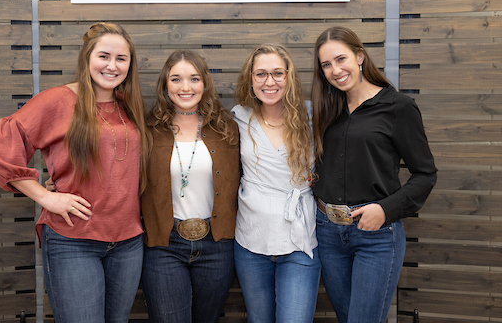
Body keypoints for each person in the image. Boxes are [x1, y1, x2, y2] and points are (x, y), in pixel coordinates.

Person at [0, 22, 150, 323]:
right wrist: (46, 197)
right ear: (87, 57)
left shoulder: (129, 106)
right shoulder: (57, 101)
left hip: (128, 242)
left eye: (121, 59)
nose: (112, 66)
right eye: (104, 56)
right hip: (74, 240)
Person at [311, 26, 437, 323]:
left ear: (359, 57)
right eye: (326, 65)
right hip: (328, 232)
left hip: (376, 235)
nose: (335, 70)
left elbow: (425, 174)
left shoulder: (398, 107)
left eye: (341, 59)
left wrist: (385, 208)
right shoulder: (327, 109)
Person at [140, 49, 240, 323]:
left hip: (217, 246)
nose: (186, 87)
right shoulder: (147, 131)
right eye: (176, 79)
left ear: (205, 84)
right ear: (165, 85)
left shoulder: (227, 129)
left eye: (194, 79)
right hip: (164, 246)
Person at [232, 44, 320, 323]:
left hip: (300, 239)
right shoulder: (238, 117)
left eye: (277, 73)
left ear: (289, 76)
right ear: (250, 79)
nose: (269, 82)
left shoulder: (311, 116)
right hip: (251, 239)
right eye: (261, 74)